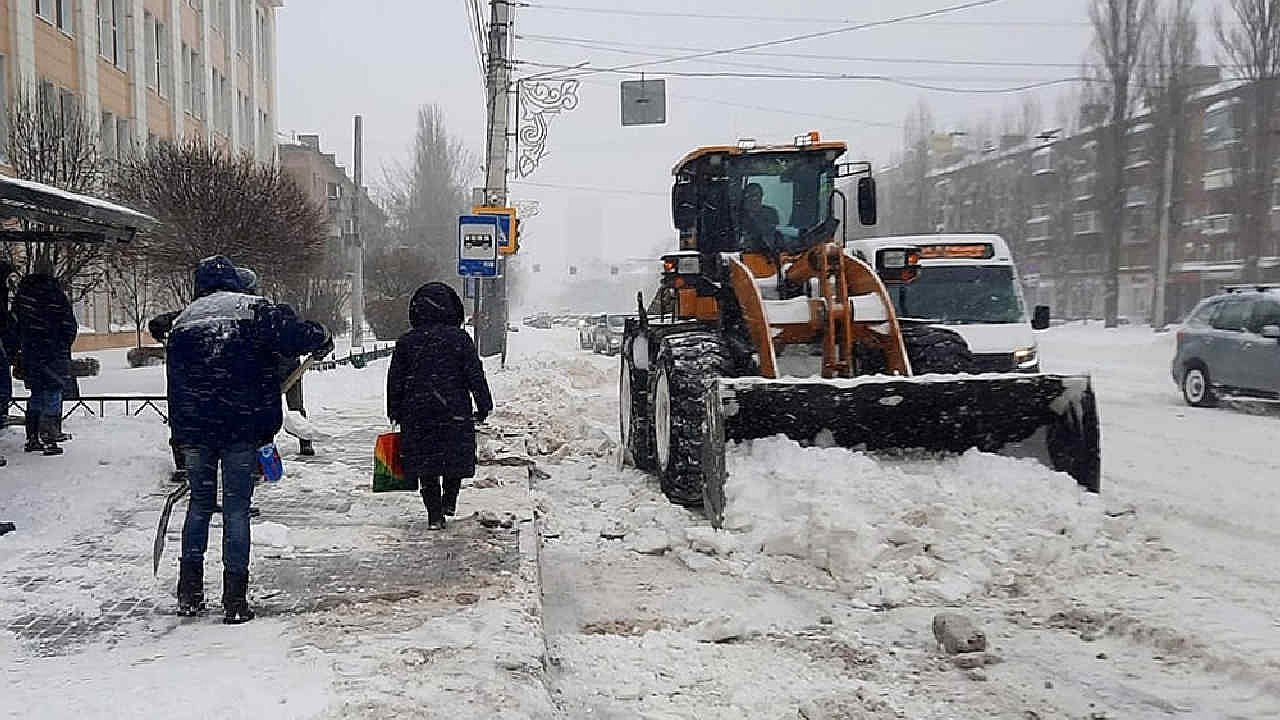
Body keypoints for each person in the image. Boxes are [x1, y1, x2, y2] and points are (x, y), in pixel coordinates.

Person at [167, 255, 330, 623]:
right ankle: (234, 600)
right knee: (237, 509)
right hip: (240, 427)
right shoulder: (254, 310)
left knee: (199, 506)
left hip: (195, 431)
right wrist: (321, 335)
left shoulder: (184, 319)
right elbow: (297, 336)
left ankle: (189, 592)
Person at [387, 282, 493, 530]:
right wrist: (484, 404)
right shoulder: (460, 340)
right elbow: (475, 374)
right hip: (454, 410)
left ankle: (434, 513)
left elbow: (395, 379)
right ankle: (450, 499)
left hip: (417, 412)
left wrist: (394, 409)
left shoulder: (407, 342)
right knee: (454, 458)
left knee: (426, 464)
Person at [13, 268, 78, 456]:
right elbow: (69, 325)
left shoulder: (23, 298)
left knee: (36, 394)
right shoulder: (55, 296)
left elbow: (15, 326)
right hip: (53, 352)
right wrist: (61, 344)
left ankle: (32, 437)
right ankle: (50, 436)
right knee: (53, 391)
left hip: (30, 353)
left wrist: (24, 345)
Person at [741, 182, 782, 253]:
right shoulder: (738, 216)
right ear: (744, 197)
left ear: (762, 196)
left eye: (757, 195)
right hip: (746, 254)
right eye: (750, 195)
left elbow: (772, 232)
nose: (754, 198)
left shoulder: (770, 213)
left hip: (769, 254)